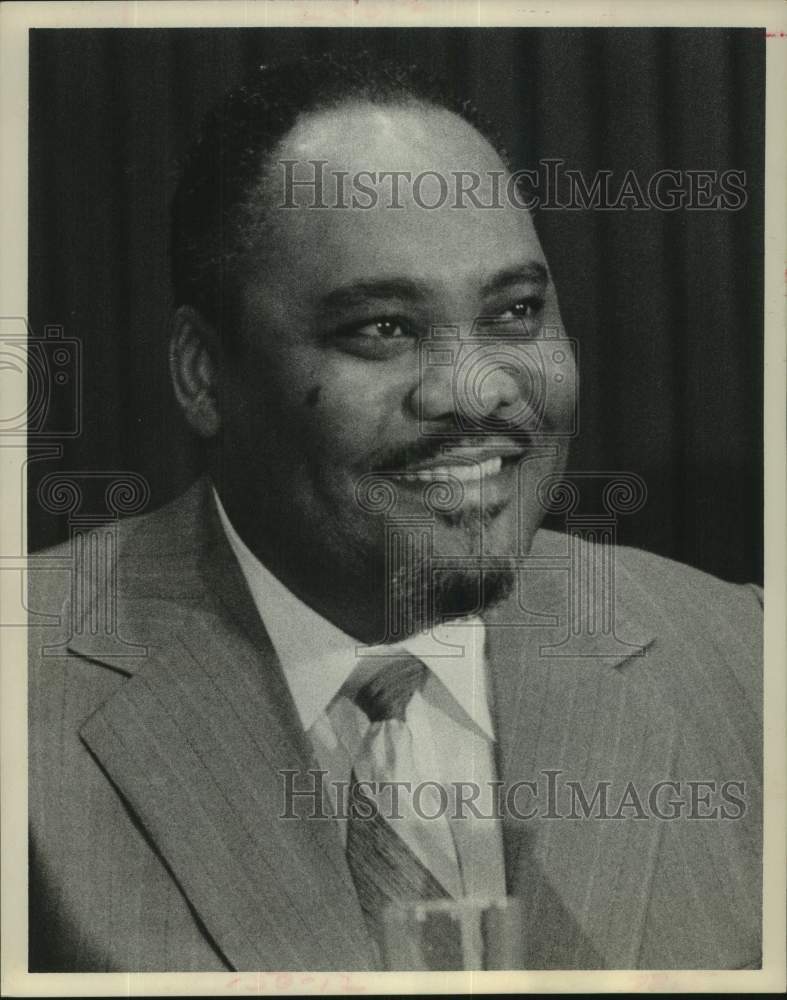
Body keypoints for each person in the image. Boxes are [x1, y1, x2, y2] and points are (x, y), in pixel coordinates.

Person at [28, 53, 762, 972]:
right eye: (382, 327)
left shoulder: (742, 662)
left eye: (513, 313)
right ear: (203, 373)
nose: (476, 391)